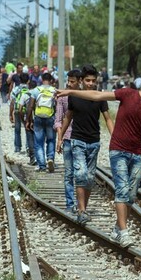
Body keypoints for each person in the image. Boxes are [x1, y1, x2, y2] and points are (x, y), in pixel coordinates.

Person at [58, 67, 141, 247]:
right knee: (121, 189)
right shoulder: (127, 94)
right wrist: (70, 91)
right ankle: (124, 232)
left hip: (137, 153)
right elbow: (96, 96)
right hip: (118, 150)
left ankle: (117, 228)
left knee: (131, 194)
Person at [58, 65, 114, 225]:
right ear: (81, 81)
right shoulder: (74, 97)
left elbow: (107, 118)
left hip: (94, 142)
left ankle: (84, 208)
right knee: (81, 173)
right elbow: (68, 117)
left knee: (89, 178)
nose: (90, 84)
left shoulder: (100, 97)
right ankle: (81, 210)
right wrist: (60, 137)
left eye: (93, 81)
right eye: (88, 80)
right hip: (77, 140)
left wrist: (115, 137)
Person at [54, 69, 81, 213]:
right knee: (69, 173)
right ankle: (70, 204)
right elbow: (58, 121)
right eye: (68, 81)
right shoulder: (62, 98)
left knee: (82, 174)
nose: (70, 84)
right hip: (68, 139)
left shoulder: (86, 96)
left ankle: (81, 204)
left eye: (73, 81)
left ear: (79, 82)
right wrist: (60, 139)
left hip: (82, 139)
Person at [26, 72, 57, 172]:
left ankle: (42, 165)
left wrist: (28, 120)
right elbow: (57, 106)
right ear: (51, 80)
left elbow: (30, 106)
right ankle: (50, 158)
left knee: (39, 143)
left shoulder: (36, 90)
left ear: (41, 79)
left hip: (38, 118)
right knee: (51, 140)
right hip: (50, 117)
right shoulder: (54, 91)